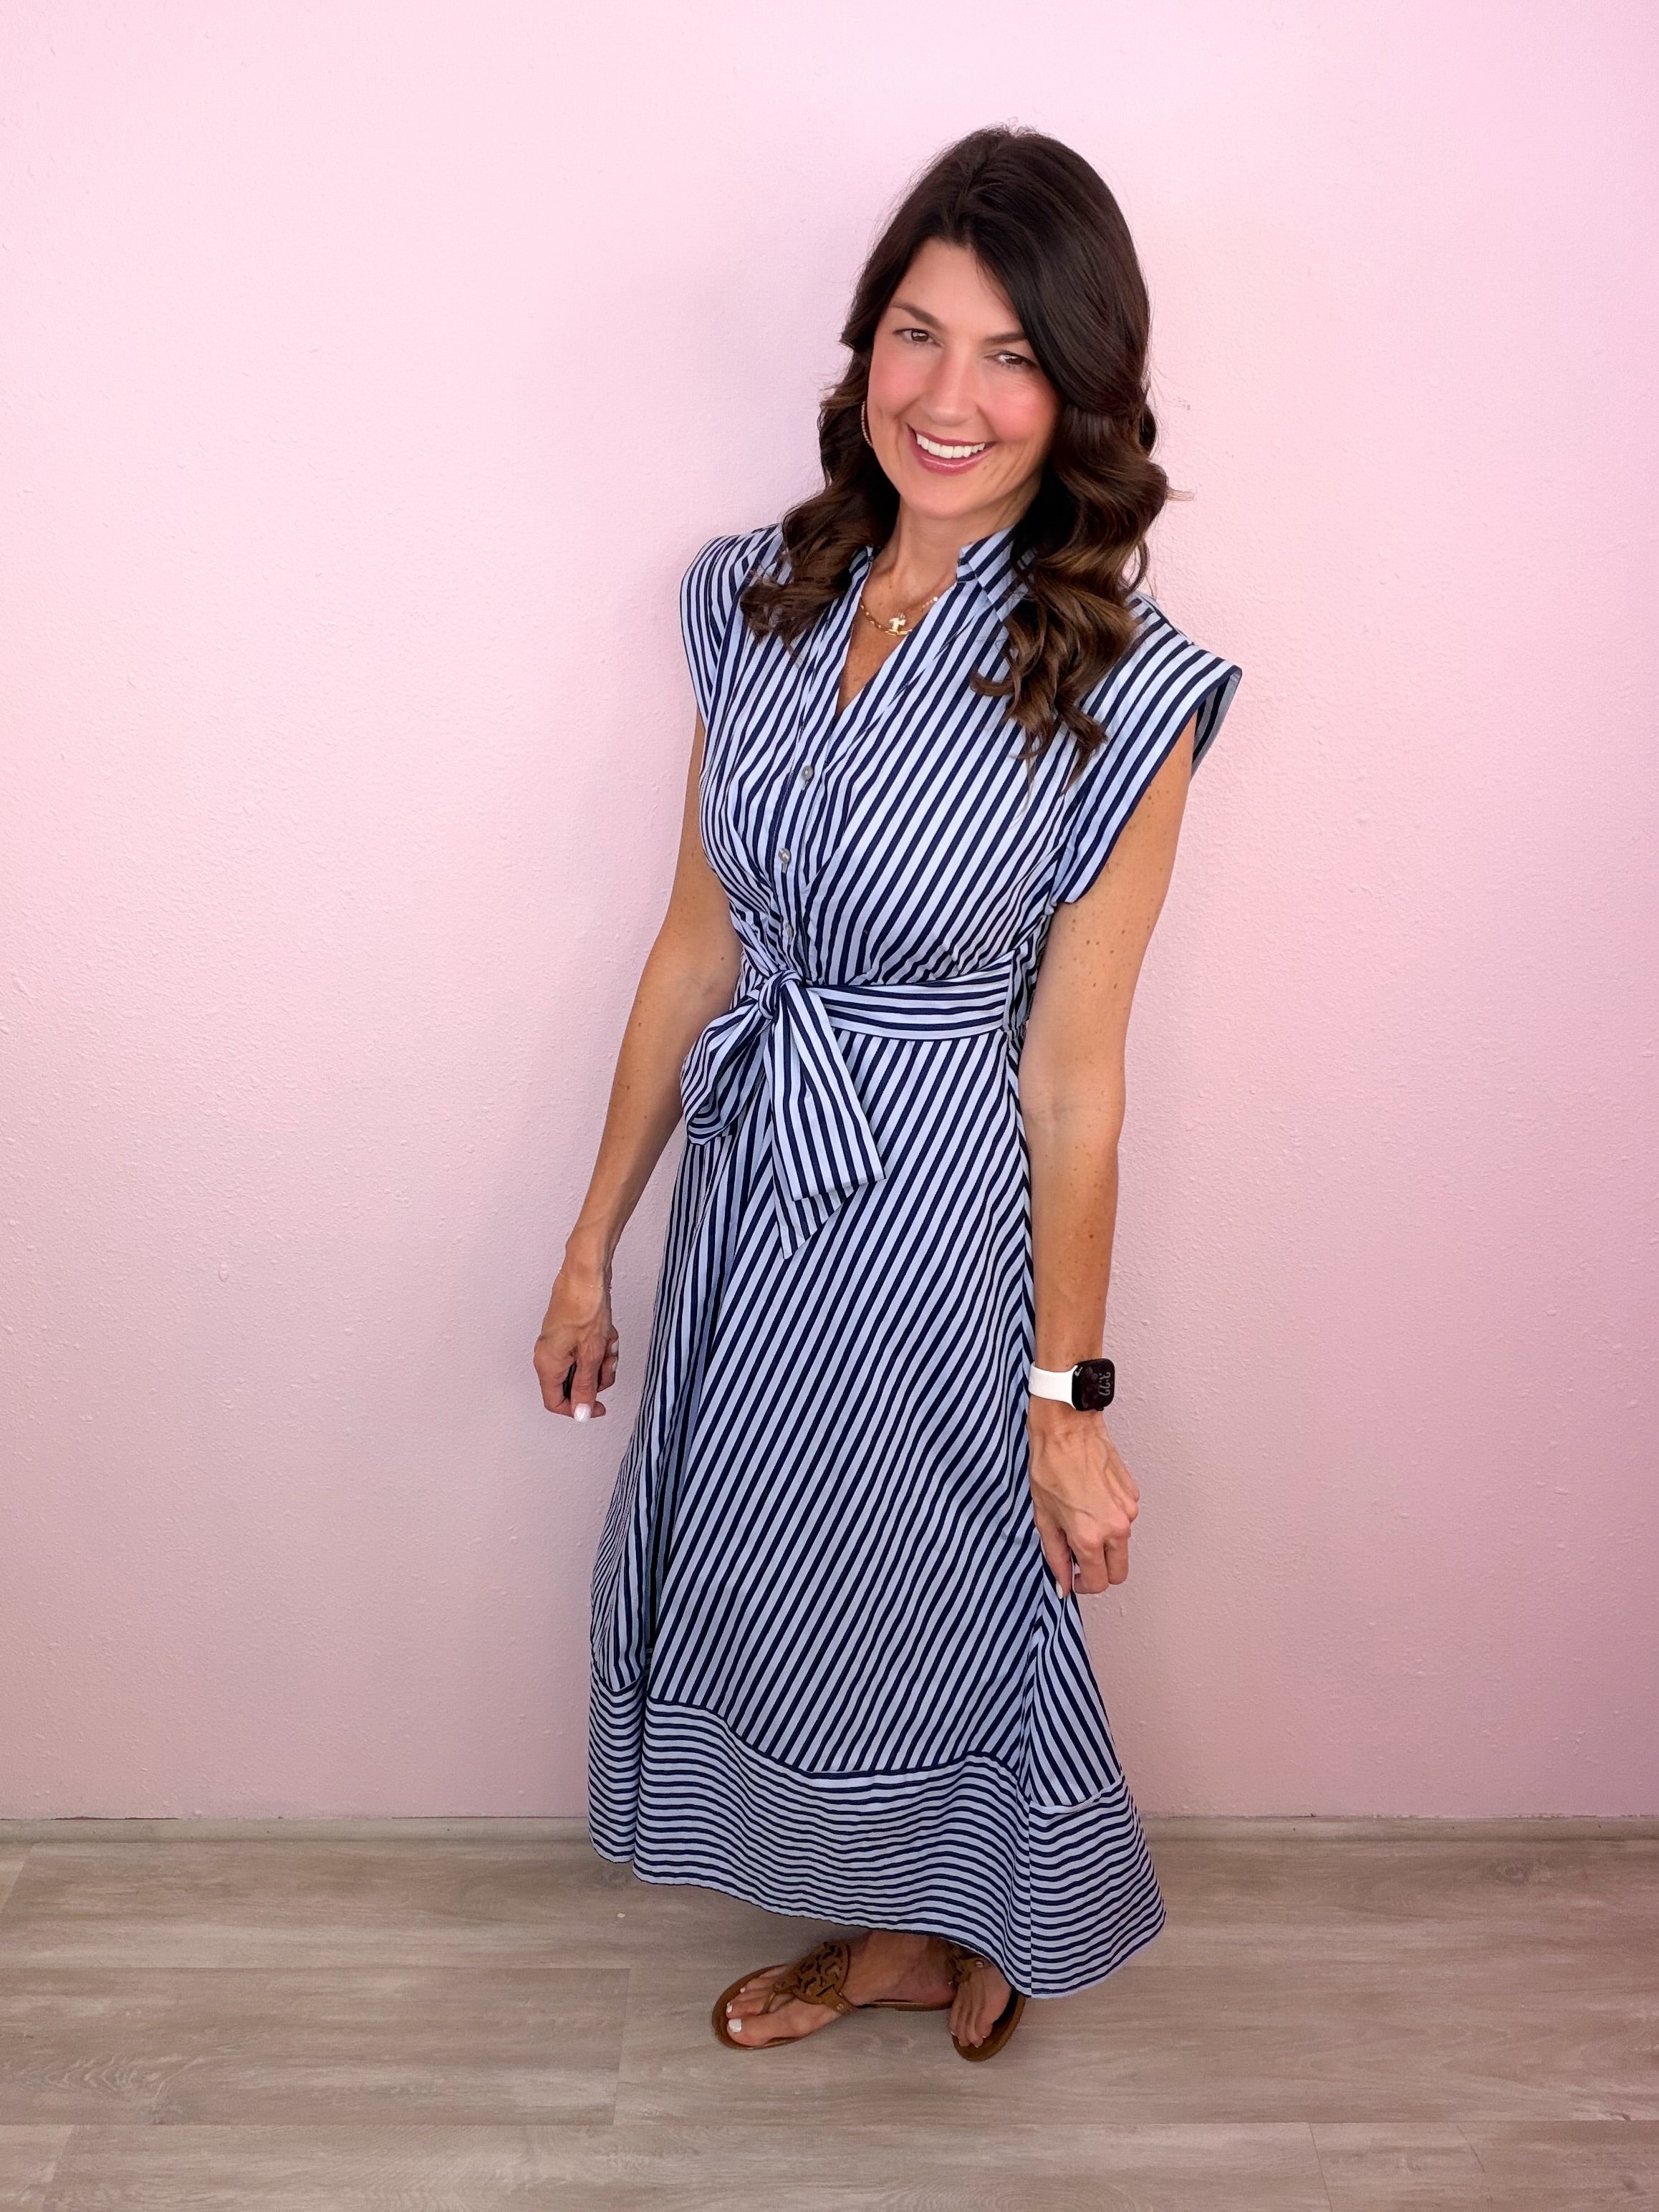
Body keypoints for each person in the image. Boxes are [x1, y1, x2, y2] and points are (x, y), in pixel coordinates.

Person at [535, 124, 1242, 2059]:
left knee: (943, 1586)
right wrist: (593, 1245)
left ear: (1078, 394)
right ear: (866, 350)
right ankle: (903, 1927)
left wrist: (1069, 1407)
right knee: (772, 1569)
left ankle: (970, 1916)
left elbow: (1075, 1087)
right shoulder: (755, 599)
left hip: (935, 1223)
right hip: (755, 1185)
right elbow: (698, 948)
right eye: (918, 335)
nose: (950, 395)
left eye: (1012, 356)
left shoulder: (1122, 690)